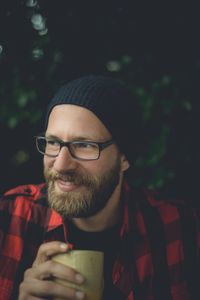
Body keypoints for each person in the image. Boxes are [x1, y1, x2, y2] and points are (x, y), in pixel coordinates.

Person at [0, 75, 199, 300]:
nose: (61, 164)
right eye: (53, 142)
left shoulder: (181, 228)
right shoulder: (9, 219)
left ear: (124, 158)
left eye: (85, 145)